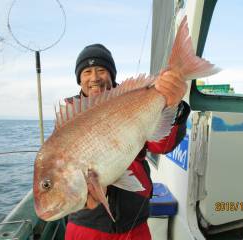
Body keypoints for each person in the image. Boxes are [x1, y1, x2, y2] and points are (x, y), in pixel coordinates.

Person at [64, 43, 190, 240]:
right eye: (87, 71)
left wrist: (176, 107)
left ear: (112, 75)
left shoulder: (133, 101)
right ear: (79, 80)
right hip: (87, 227)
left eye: (101, 70)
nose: (95, 78)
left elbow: (162, 145)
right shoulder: (68, 122)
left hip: (134, 224)